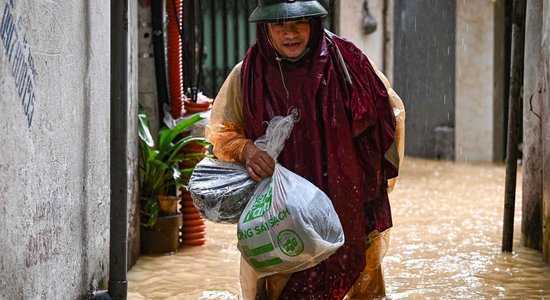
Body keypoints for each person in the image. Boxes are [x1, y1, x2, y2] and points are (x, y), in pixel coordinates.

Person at [206, 0, 405, 298]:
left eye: (299, 23)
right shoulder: (246, 76)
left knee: (358, 277)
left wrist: (369, 187)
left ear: (314, 23)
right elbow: (222, 135)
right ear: (265, 28)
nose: (290, 34)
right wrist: (248, 151)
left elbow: (387, 123)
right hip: (279, 211)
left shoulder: (348, 64)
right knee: (280, 281)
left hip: (346, 201)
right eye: (279, 25)